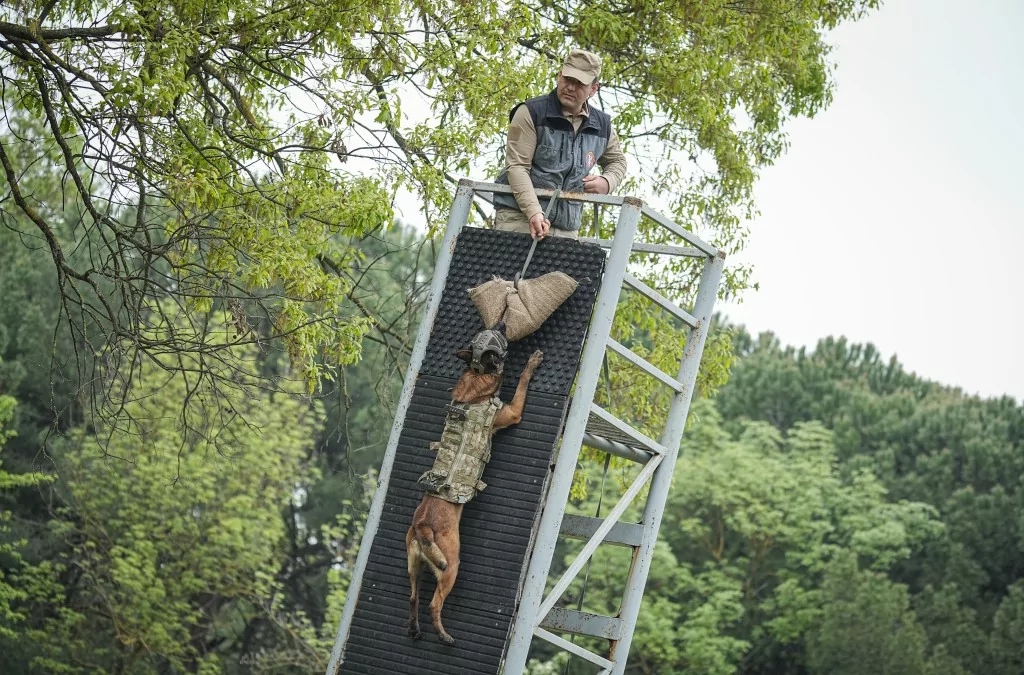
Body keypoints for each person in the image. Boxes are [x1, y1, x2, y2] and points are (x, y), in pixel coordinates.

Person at [492, 49, 628, 240]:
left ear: (593, 89)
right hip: (518, 218)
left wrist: (607, 182)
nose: (570, 88)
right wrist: (534, 212)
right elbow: (517, 167)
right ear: (559, 76)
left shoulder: (602, 126)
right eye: (567, 79)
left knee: (562, 272)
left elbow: (617, 162)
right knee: (507, 271)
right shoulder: (531, 113)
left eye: (579, 83)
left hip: (567, 228)